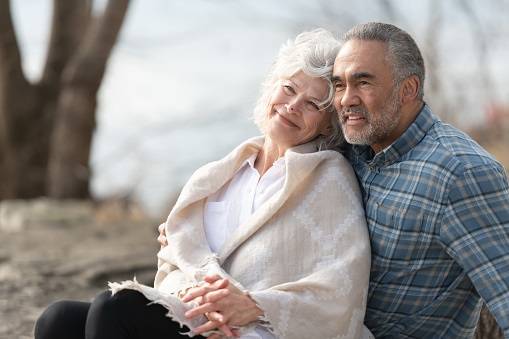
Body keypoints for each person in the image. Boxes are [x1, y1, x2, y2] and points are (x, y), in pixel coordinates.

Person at [34, 29, 372, 339]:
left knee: (115, 307)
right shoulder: (224, 172)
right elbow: (178, 256)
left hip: (255, 330)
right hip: (198, 316)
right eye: (288, 88)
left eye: (312, 104)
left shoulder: (329, 179)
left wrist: (254, 305)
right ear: (271, 87)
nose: (293, 106)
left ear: (327, 125)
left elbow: (342, 290)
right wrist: (196, 294)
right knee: (58, 319)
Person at [332, 22, 509, 338]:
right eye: (339, 84)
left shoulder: (460, 173)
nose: (346, 99)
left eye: (363, 82)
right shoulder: (348, 152)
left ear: (408, 89)